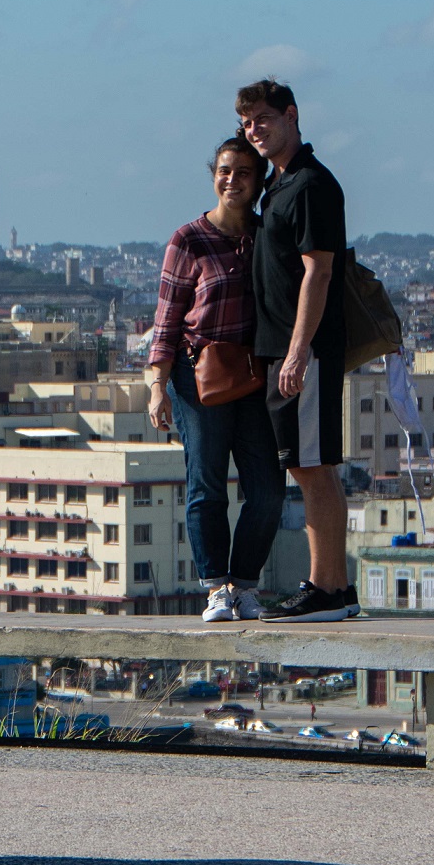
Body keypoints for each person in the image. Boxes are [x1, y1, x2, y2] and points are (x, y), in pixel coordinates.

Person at [237, 79, 361, 623]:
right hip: (290, 349)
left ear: (291, 115)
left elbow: (320, 271)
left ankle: (325, 589)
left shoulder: (310, 184)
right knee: (312, 467)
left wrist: (297, 351)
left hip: (302, 351)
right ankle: (334, 587)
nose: (254, 130)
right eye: (247, 123)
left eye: (264, 119)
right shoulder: (280, 185)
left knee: (311, 468)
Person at [147, 138, 286, 622]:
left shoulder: (266, 236)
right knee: (206, 483)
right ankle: (215, 588)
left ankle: (244, 584)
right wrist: (157, 386)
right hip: (197, 375)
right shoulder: (189, 240)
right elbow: (167, 318)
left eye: (244, 172)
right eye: (225, 171)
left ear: (258, 180)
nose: (232, 180)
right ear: (213, 176)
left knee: (267, 489)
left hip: (254, 374)